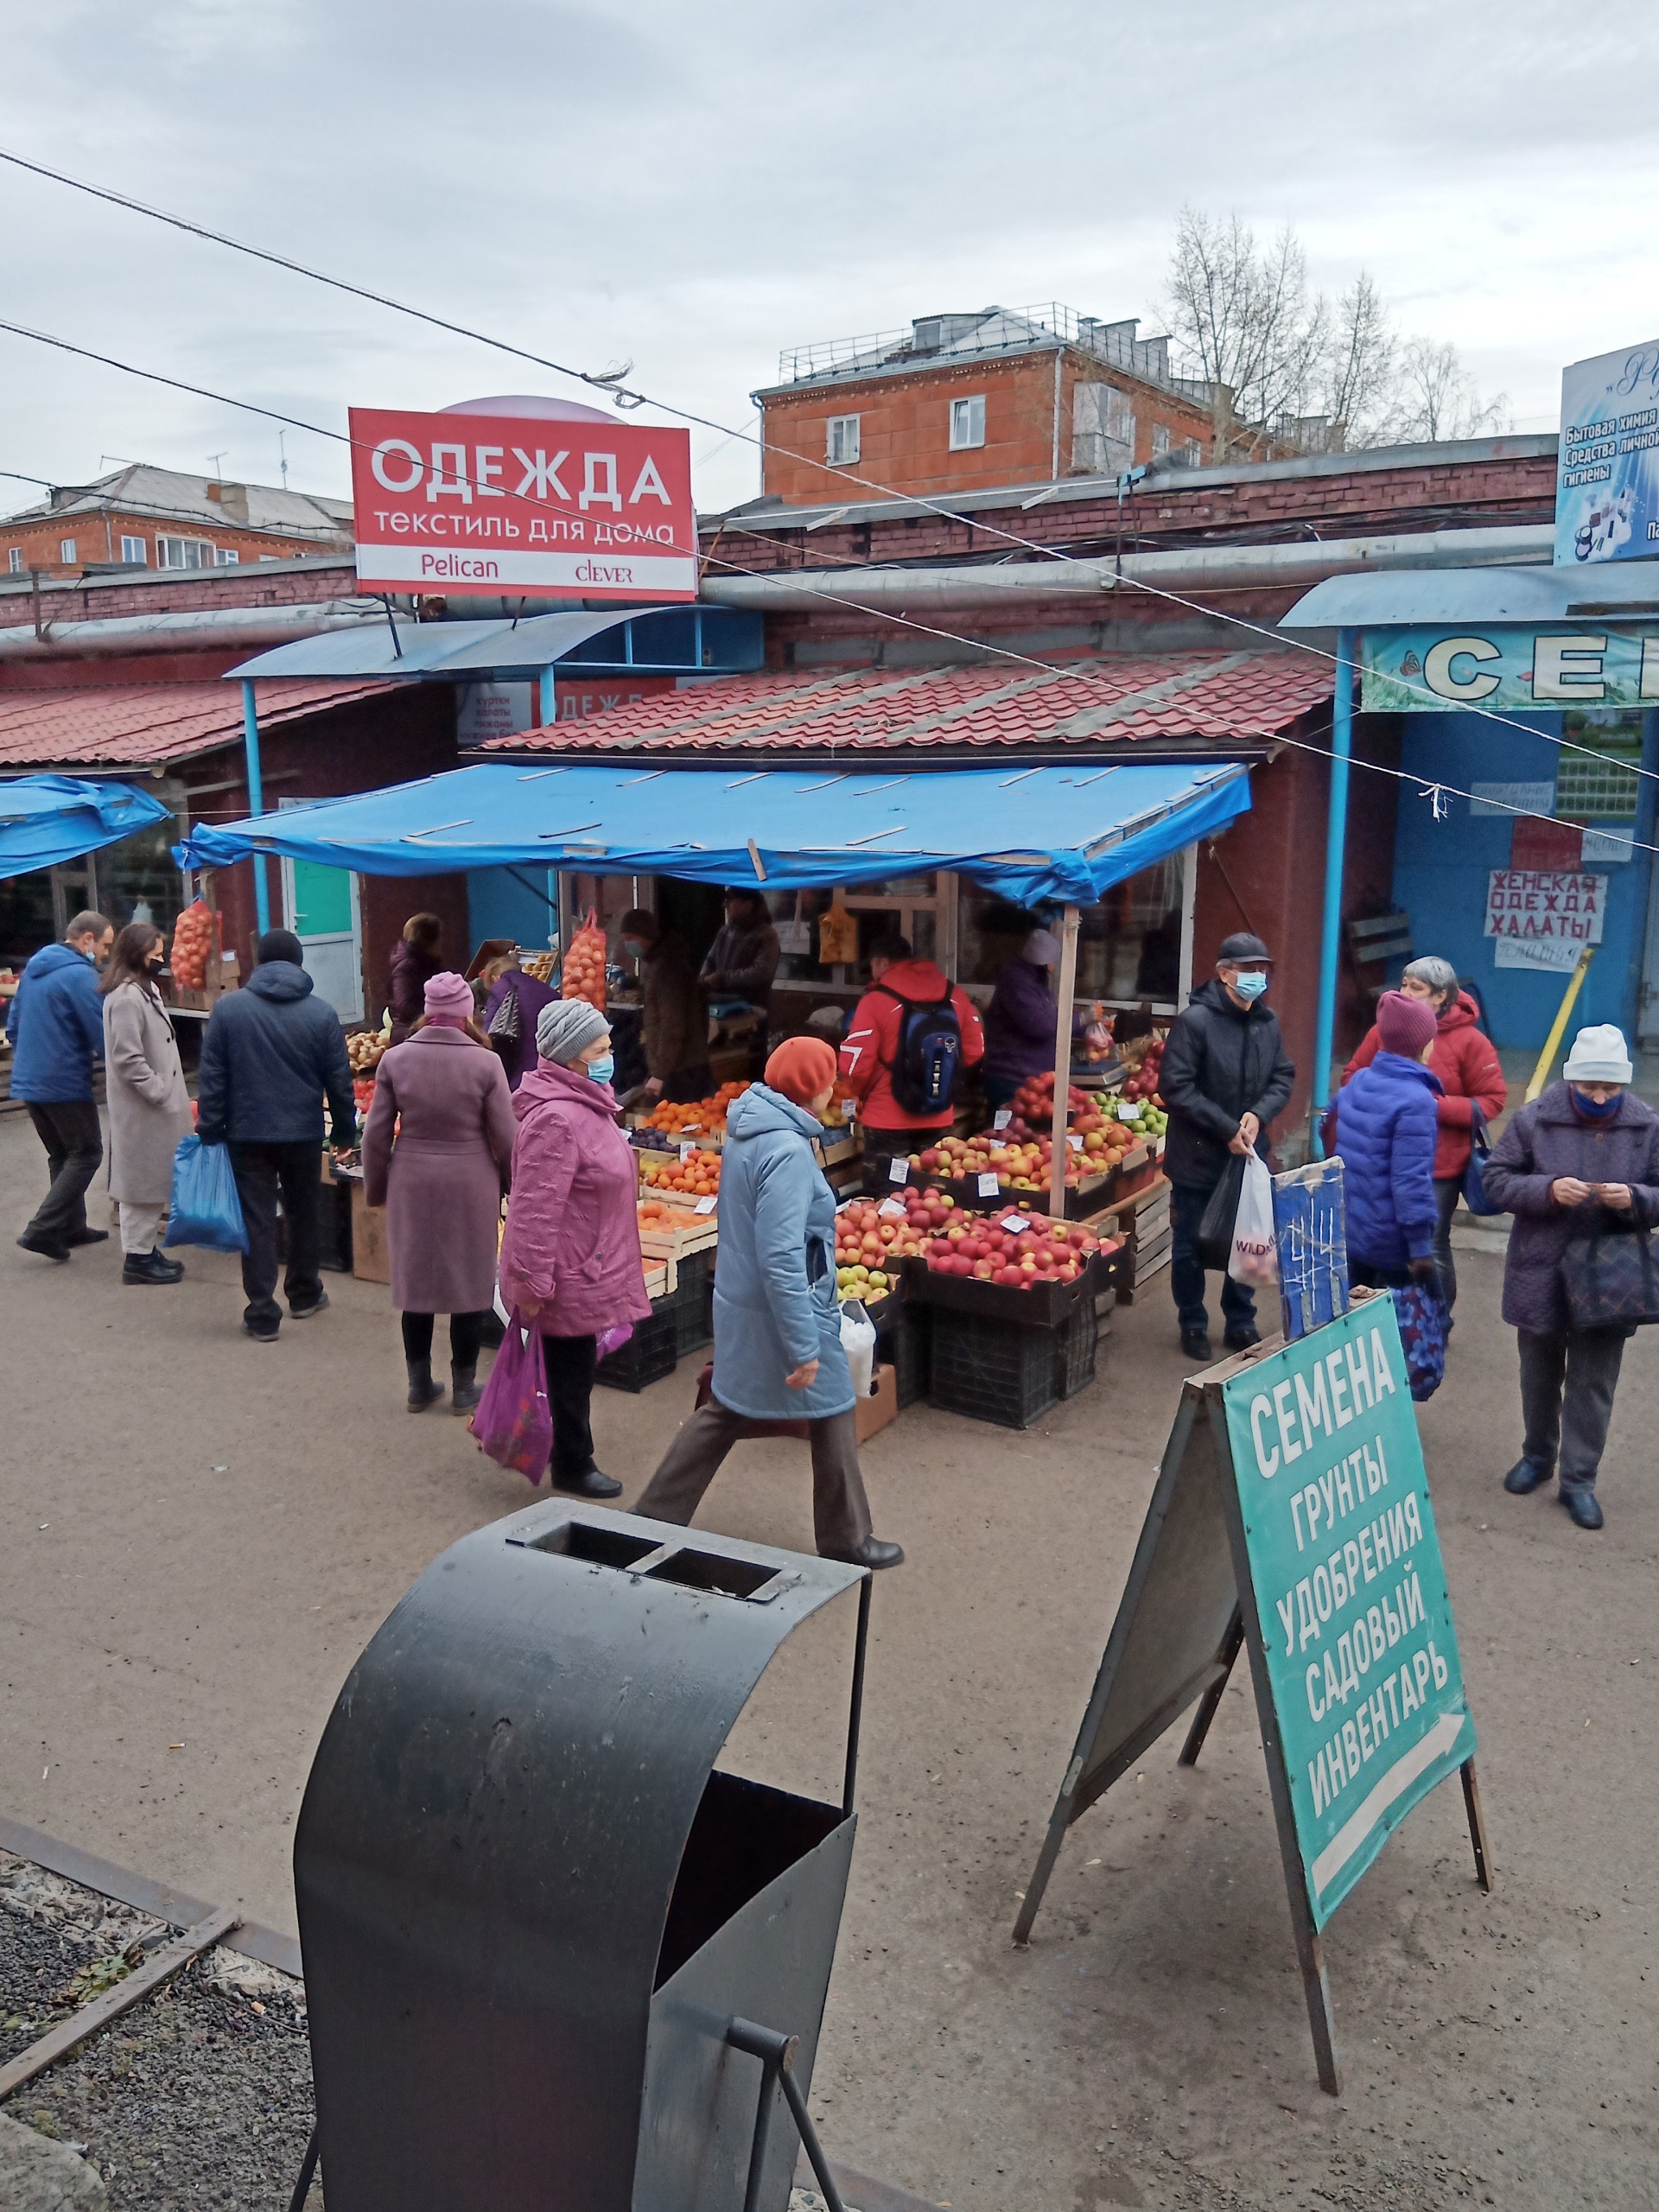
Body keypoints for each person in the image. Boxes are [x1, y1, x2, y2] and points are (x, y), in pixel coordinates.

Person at [635, 1037, 902, 1568]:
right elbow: (781, 1254)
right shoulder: (785, 1151)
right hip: (783, 1307)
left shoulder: (751, 1128)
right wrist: (803, 1343)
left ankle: (649, 1520)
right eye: (827, 1077)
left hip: (743, 1299)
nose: (833, 1086)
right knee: (829, 1405)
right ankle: (848, 1539)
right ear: (811, 1086)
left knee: (731, 1409)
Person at [1481, 1025, 1659, 1532]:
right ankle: (1537, 1456)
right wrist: (1547, 1189)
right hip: (1543, 1270)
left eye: (1611, 1090)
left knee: (1594, 1382)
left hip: (1611, 1278)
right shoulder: (1535, 1119)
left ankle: (1579, 1481)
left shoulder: (1647, 1126)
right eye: (1589, 1088)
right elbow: (1495, 1181)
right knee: (1538, 1375)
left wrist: (1639, 1199)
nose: (1600, 1098)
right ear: (1571, 1080)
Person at [497, 997, 651, 1497]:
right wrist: (532, 1281)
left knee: (575, 1367)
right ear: (570, 1055)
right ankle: (572, 1462)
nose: (611, 1054)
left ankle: (571, 1455)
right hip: (566, 1271)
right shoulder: (557, 1120)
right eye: (601, 1047)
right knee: (568, 1373)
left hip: (589, 1261)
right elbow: (533, 1211)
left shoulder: (590, 1102)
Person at [363, 971, 516, 1413]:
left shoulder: (396, 1059)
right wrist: (510, 1185)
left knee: (418, 1280)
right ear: (468, 1012)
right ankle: (464, 1388)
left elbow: (375, 1134)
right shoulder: (486, 1063)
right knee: (470, 1281)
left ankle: (418, 1384)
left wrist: (377, 1188)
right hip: (471, 1178)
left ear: (429, 1011)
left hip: (412, 1175)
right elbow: (506, 1137)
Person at [196, 928, 356, 1342]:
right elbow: (339, 1081)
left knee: (257, 1219)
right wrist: (342, 1131)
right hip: (302, 1134)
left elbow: (212, 1077)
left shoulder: (228, 1011)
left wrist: (210, 1128)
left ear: (259, 962)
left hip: (246, 1134)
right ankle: (304, 1294)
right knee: (305, 1214)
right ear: (299, 963)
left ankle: (262, 1312)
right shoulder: (321, 1014)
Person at [1160, 930, 1295, 1362]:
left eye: (1263, 969)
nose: (1259, 976)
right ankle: (1193, 1323)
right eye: (1249, 969)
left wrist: (1259, 1115)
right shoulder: (1194, 1022)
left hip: (1251, 1156)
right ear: (1224, 974)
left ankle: (1240, 1319)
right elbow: (1175, 1087)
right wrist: (1225, 1128)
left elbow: (1283, 1077)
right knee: (1191, 1247)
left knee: (1250, 1243)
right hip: (1198, 1157)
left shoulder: (1267, 1023)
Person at [1341, 954, 1504, 1307]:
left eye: (1417, 987)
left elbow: (1491, 1101)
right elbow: (1352, 1076)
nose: (1406, 992)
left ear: (1441, 995)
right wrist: (1387, 1100)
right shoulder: (1383, 1031)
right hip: (1383, 1159)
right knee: (1374, 1244)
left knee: (1430, 1246)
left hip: (1440, 1167)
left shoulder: (1470, 1042)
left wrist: (1434, 1107)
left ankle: (1435, 1322)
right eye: (1403, 984)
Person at [839, 931, 985, 1190]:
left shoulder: (875, 1000)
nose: (872, 972)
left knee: (886, 1205)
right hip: (938, 1114)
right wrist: (939, 1075)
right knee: (931, 1200)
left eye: (872, 965)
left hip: (886, 1119)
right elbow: (975, 1051)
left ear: (883, 963)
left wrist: (858, 1094)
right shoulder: (955, 995)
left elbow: (855, 1065)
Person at [9, 909, 113, 1261]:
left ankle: (71, 1227)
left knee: (61, 1154)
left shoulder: (34, 971)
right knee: (86, 1153)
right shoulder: (80, 977)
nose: (105, 955)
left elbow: (14, 1026)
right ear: (87, 939)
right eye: (104, 946)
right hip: (63, 1082)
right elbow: (102, 1032)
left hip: (28, 1079)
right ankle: (42, 1229)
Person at [1330, 992, 1443, 1293]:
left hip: (1354, 1226)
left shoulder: (1360, 1080)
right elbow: (1410, 1181)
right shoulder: (1417, 1101)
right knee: (1410, 1326)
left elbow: (1328, 1129)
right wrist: (1420, 1249)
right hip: (1391, 1242)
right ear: (1423, 1043)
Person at [99, 921, 191, 1286]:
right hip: (144, 1109)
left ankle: (145, 1251)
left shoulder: (145, 989)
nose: (162, 957)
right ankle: (137, 1260)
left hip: (155, 1108)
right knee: (141, 1185)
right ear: (137, 952)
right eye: (155, 951)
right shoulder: (124, 998)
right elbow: (127, 1058)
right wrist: (158, 1091)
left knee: (152, 1182)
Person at [620, 907, 712, 1104]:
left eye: (630, 937)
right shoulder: (658, 964)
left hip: (682, 1070)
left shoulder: (667, 970)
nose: (627, 944)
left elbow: (672, 1024)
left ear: (645, 937)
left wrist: (660, 1073)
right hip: (680, 1066)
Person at [982, 925, 1058, 1113]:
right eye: (1054, 959)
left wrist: (1086, 1026)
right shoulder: (1017, 983)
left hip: (1030, 1079)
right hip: (1011, 1078)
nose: (1056, 964)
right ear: (1045, 961)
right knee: (1006, 1135)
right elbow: (1040, 1025)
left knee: (1023, 1138)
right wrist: (1081, 1019)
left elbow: (1051, 1015)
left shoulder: (1036, 983)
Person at [479, 947, 557, 1092]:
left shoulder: (501, 987)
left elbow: (488, 1036)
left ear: (494, 978)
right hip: (550, 1069)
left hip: (522, 1074)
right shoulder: (545, 989)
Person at [699, 887, 780, 1015]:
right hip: (721, 1004)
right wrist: (703, 979)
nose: (725, 905)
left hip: (752, 1007)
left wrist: (724, 978)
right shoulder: (725, 931)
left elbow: (761, 972)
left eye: (730, 900)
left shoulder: (766, 935)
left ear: (747, 905)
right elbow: (710, 959)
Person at [387, 913, 443, 1044]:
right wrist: (435, 1012)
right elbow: (404, 1006)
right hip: (409, 1036)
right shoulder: (406, 968)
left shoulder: (427, 963)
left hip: (423, 1032)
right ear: (430, 941)